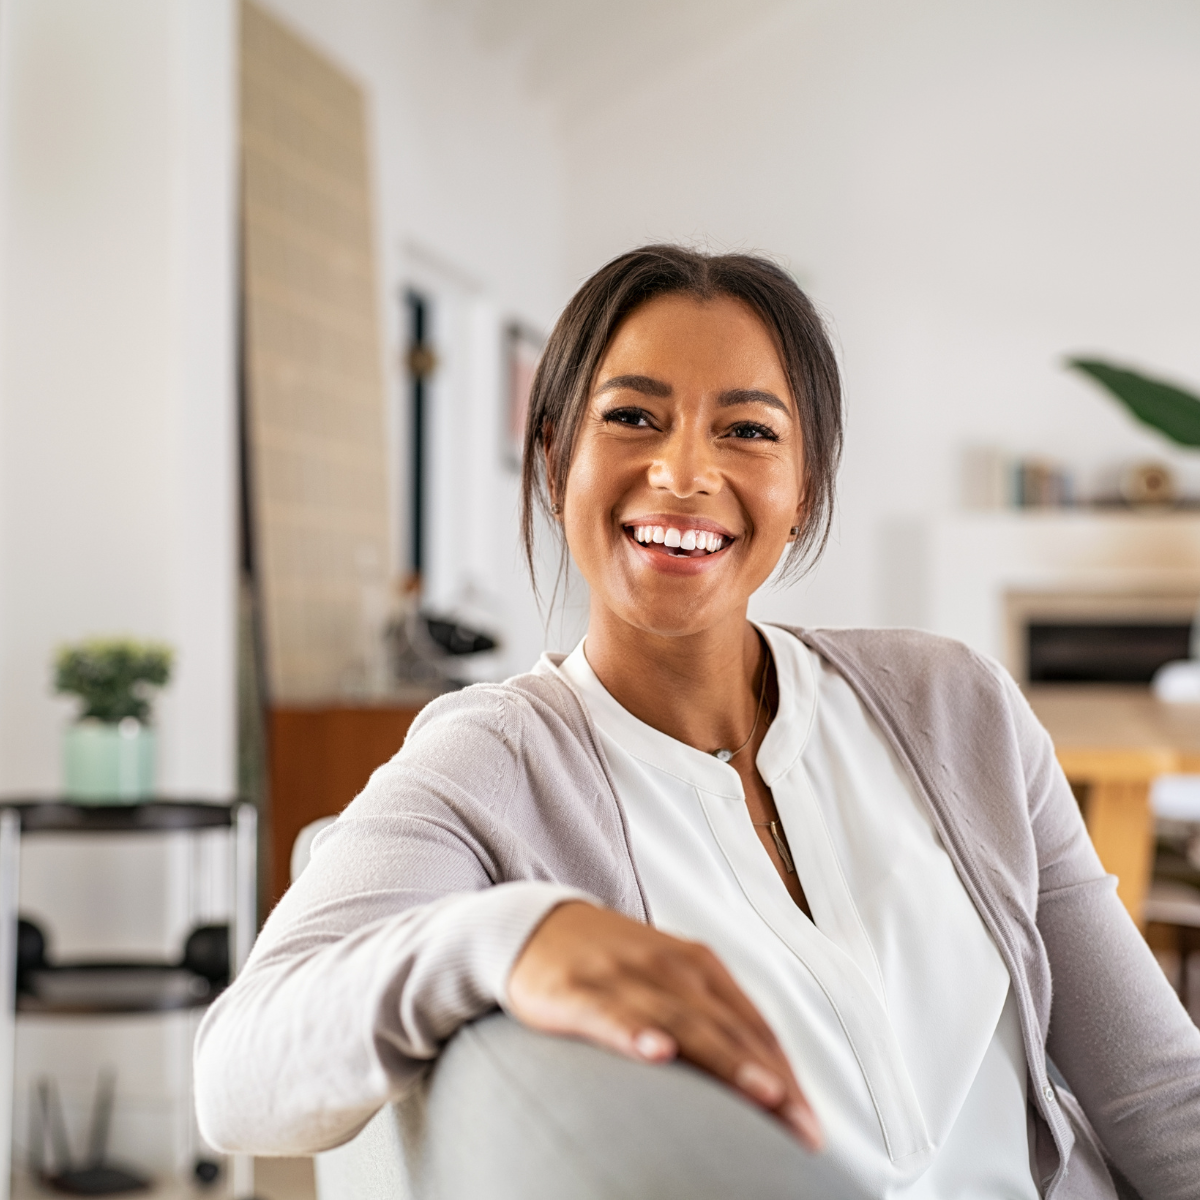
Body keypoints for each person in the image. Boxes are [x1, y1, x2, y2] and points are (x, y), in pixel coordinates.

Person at [194, 246, 1200, 1199]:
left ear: (803, 490)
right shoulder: (490, 760)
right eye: (633, 417)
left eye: (749, 429)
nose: (683, 473)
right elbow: (236, 1077)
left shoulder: (957, 704)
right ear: (554, 462)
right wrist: (515, 934)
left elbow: (1155, 1090)